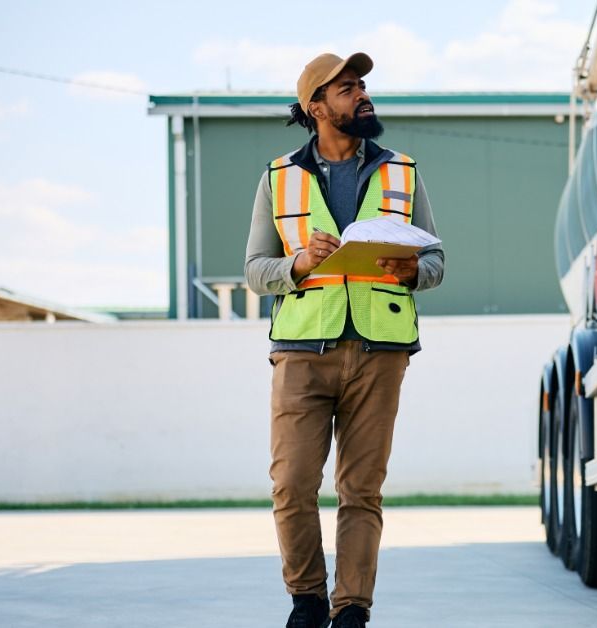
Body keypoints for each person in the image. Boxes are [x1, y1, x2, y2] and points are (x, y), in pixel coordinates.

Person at [244, 51, 445, 628]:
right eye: (347, 88)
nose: (362, 95)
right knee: (291, 486)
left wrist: (413, 272)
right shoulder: (278, 177)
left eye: (362, 86)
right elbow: (256, 269)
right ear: (316, 107)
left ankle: (352, 610)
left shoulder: (402, 170)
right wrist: (299, 263)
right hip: (302, 352)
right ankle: (307, 601)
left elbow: (435, 259)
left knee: (361, 491)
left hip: (380, 351)